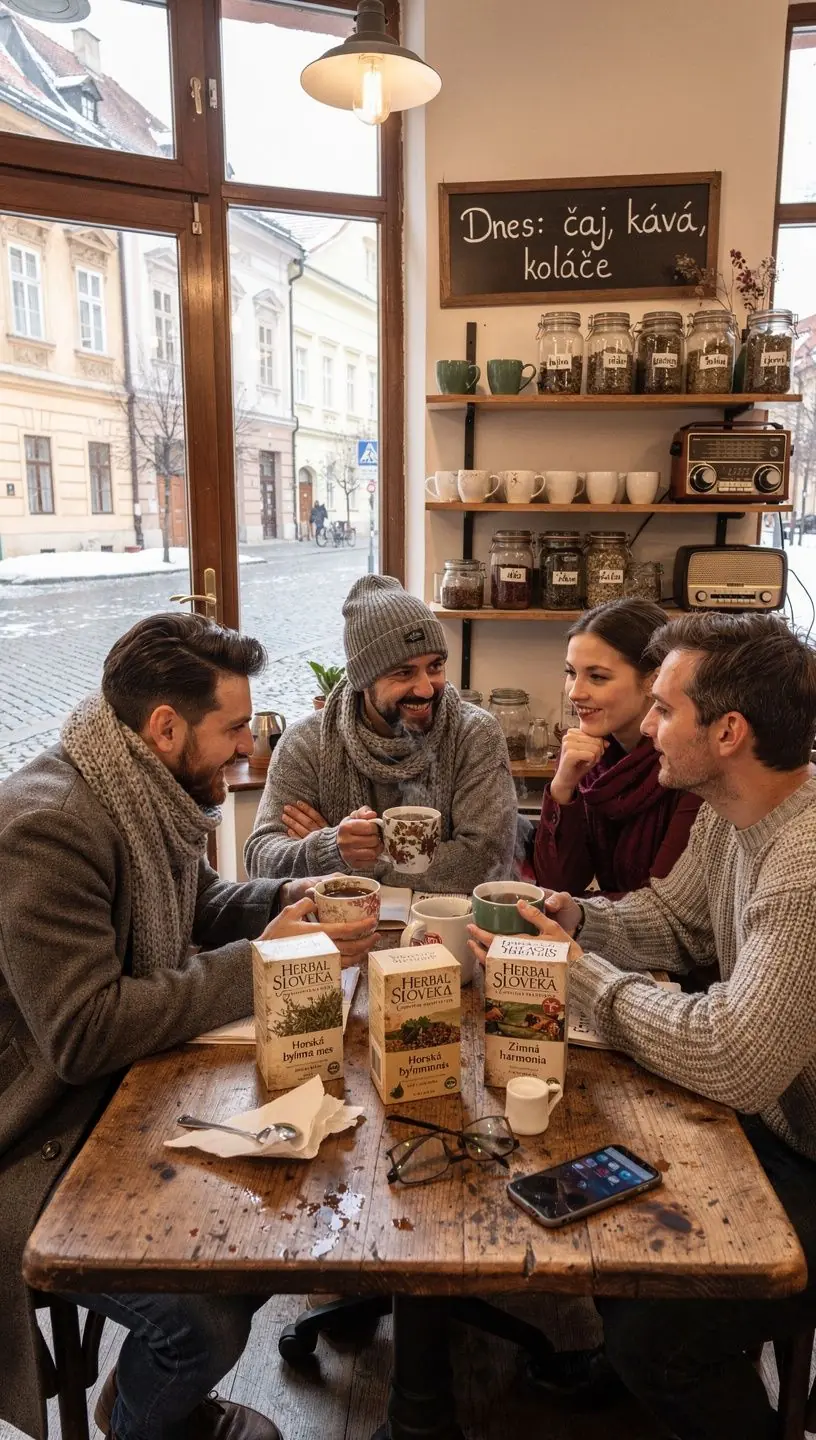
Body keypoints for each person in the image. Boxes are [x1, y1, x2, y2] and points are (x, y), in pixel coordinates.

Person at [0, 613, 375, 1440]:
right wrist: (261, 962)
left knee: (278, 1218)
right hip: (38, 1139)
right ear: (165, 728)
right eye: (235, 728)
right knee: (200, 1316)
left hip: (125, 1101)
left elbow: (193, 906)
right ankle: (148, 1420)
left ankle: (146, 1404)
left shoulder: (137, 787)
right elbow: (84, 1033)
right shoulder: (48, 825)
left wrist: (283, 904)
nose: (248, 748)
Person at [471, 611, 816, 1440]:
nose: (647, 727)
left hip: (803, 1147)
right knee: (591, 1205)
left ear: (729, 731)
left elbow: (735, 1058)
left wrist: (574, 971)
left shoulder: (802, 867)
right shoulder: (737, 815)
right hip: (769, 1123)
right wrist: (574, 918)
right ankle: (630, 1375)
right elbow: (671, 921)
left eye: (664, 710)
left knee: (657, 1336)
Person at [246, 575, 517, 892]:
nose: (426, 688)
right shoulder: (305, 743)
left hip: (451, 930)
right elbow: (260, 863)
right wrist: (330, 846)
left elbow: (485, 864)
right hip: (333, 934)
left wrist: (358, 859)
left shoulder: (475, 735)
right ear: (363, 680)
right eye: (404, 672)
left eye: (435, 666)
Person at [534, 598, 701, 896]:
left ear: (653, 680)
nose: (575, 692)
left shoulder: (686, 763)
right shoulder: (585, 753)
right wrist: (562, 787)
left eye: (597, 677)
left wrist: (578, 912)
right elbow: (557, 886)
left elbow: (666, 907)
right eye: (571, 672)